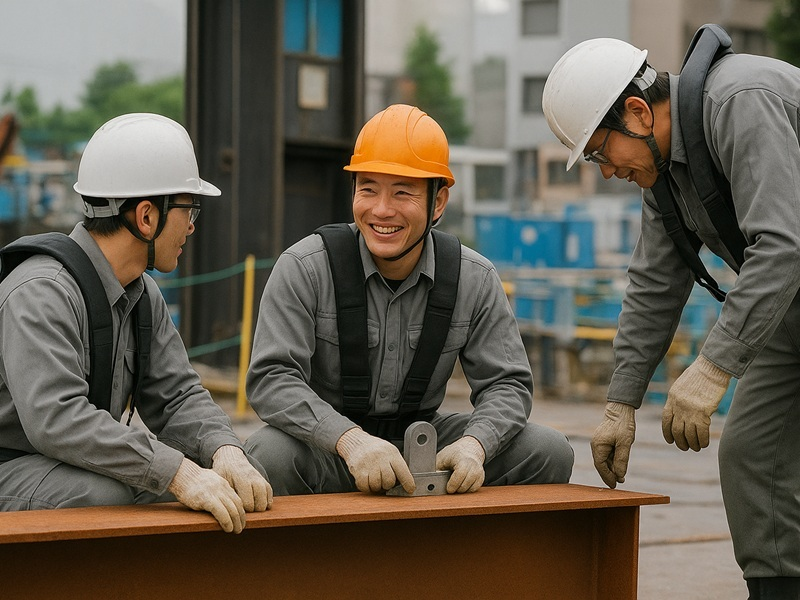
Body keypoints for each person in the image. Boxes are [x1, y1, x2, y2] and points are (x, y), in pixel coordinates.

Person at [542, 28, 800, 597]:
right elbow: (655, 283)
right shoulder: (666, 176)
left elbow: (783, 245)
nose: (605, 170)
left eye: (599, 151)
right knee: (752, 457)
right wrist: (620, 402)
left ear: (637, 111)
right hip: (790, 306)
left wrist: (712, 368)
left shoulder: (740, 101)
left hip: (789, 277)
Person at [244, 104, 573, 497]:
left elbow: (507, 384)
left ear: (438, 202)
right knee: (268, 455)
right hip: (330, 448)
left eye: (403, 192)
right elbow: (272, 378)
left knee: (549, 451)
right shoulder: (305, 268)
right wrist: (351, 441)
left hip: (427, 449)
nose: (382, 210)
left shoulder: (474, 278)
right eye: (368, 188)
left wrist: (475, 446)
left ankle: (470, 553)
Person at [0, 113, 272, 533]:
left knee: (208, 476)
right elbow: (57, 419)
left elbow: (178, 395)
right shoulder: (41, 292)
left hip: (59, 463)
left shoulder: (142, 295)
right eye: (189, 208)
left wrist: (225, 451)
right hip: (12, 464)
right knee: (107, 497)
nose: (193, 225)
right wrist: (177, 472)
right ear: (146, 217)